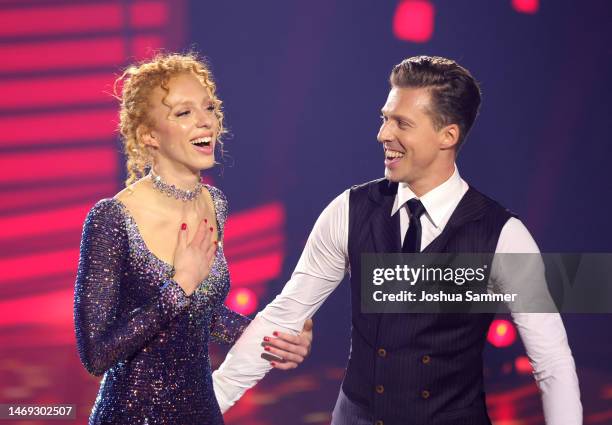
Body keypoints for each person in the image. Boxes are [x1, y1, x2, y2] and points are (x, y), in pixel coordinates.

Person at [212, 56, 582, 424]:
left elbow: (551, 364)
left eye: (401, 123)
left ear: (447, 135)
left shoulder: (503, 236)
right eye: (384, 118)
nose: (383, 134)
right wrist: (208, 406)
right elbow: (284, 315)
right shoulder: (349, 210)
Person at [73, 52, 313, 425]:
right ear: (148, 135)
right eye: (184, 113)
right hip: (132, 415)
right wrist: (179, 286)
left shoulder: (214, 203)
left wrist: (267, 337)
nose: (206, 121)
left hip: (201, 413)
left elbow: (201, 314)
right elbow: (97, 354)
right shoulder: (111, 219)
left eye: (210, 108)